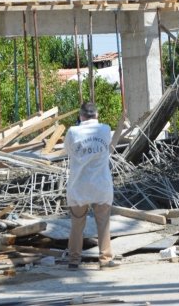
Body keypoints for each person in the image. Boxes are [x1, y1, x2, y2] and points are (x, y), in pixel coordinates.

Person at [64, 101, 118, 270]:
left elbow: (68, 150)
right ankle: (105, 259)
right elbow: (109, 145)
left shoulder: (72, 132)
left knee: (77, 224)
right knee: (103, 223)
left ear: (80, 116)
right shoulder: (104, 129)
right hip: (100, 184)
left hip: (79, 185)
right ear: (96, 115)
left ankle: (74, 260)